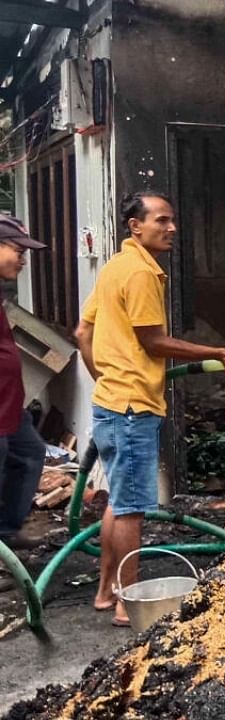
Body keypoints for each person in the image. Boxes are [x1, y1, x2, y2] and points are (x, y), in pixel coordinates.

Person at [75, 191, 225, 627]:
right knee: (132, 506)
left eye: (172, 221)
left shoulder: (116, 266)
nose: (171, 228)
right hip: (133, 405)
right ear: (135, 226)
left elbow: (82, 332)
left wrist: (105, 378)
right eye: (162, 220)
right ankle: (127, 604)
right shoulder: (139, 273)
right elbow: (154, 341)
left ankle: (105, 592)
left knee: (119, 498)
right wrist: (218, 350)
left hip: (113, 401)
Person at [0, 216, 50, 550]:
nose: (22, 259)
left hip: (8, 406)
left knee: (30, 453)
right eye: (17, 250)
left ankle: (6, 531)